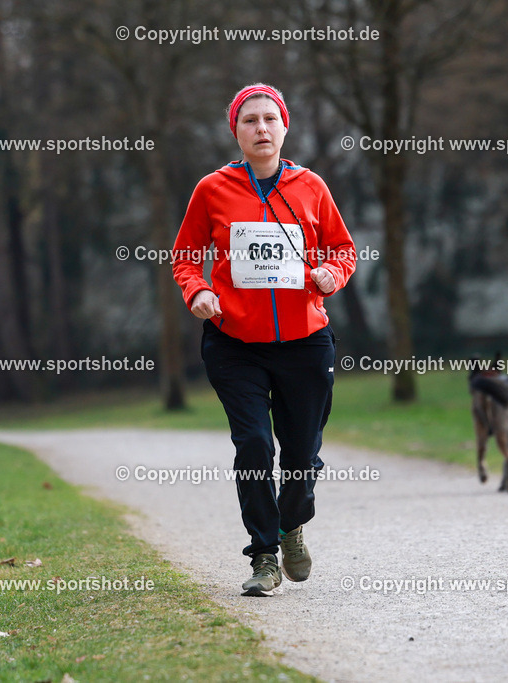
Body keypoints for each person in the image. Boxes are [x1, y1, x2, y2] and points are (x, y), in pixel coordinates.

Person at [171, 83, 356, 596]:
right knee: (253, 444)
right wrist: (199, 291)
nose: (261, 128)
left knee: (301, 452)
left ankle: (290, 523)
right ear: (236, 130)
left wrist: (330, 276)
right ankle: (264, 557)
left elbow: (343, 249)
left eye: (269, 119)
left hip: (305, 341)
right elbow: (185, 256)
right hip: (235, 344)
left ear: (284, 127)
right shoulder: (212, 189)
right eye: (250, 120)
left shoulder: (311, 186)